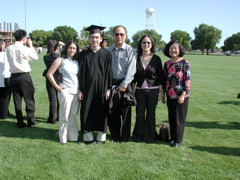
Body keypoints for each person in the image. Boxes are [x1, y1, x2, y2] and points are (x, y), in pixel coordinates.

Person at [79, 25, 112, 144]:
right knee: (87, 109)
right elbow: (80, 73)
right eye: (92, 37)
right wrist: (80, 90)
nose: (94, 40)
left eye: (97, 37)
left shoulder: (107, 54)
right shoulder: (83, 54)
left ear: (101, 38)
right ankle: (87, 135)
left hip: (102, 87)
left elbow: (109, 72)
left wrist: (108, 88)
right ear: (89, 39)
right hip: (87, 87)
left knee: (102, 109)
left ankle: (101, 136)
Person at [132, 35, 164, 143]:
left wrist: (160, 91)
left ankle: (150, 136)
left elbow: (160, 76)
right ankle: (138, 136)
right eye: (144, 42)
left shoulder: (156, 59)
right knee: (140, 114)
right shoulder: (136, 58)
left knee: (151, 115)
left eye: (148, 43)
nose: (146, 44)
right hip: (140, 91)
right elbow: (133, 76)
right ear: (140, 44)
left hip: (153, 90)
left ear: (152, 45)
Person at [47, 40, 80, 145]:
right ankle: (63, 138)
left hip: (76, 92)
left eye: (74, 48)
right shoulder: (60, 60)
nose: (72, 50)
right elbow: (49, 74)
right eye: (70, 48)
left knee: (73, 115)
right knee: (64, 116)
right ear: (66, 49)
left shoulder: (77, 61)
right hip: (65, 92)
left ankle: (73, 137)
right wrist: (58, 87)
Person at [107, 25, 136, 143]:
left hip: (125, 85)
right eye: (117, 34)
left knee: (126, 113)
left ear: (126, 36)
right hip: (112, 84)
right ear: (113, 36)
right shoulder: (108, 51)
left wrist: (124, 84)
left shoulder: (130, 50)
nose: (119, 36)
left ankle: (124, 137)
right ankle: (114, 135)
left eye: (122, 34)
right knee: (112, 111)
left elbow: (132, 69)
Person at [6, 29, 38, 128]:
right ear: (24, 38)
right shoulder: (24, 49)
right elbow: (35, 58)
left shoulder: (8, 48)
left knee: (17, 100)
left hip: (13, 76)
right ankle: (30, 120)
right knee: (29, 99)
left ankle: (20, 122)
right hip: (24, 76)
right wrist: (31, 46)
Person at [162, 39, 191, 148]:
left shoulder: (185, 63)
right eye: (171, 48)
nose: (173, 50)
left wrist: (183, 95)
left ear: (179, 50)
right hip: (170, 95)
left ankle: (178, 140)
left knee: (179, 118)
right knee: (172, 117)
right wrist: (163, 95)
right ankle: (173, 137)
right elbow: (165, 81)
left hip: (181, 96)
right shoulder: (167, 64)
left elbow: (187, 80)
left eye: (175, 48)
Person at [43, 40, 64, 124]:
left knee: (52, 100)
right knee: (59, 99)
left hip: (49, 80)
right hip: (58, 79)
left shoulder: (46, 58)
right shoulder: (59, 58)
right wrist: (62, 45)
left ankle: (51, 118)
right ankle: (59, 116)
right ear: (57, 48)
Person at [0, 38, 11, 119]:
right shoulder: (5, 54)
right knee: (6, 98)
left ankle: (4, 112)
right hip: (5, 77)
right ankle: (4, 114)